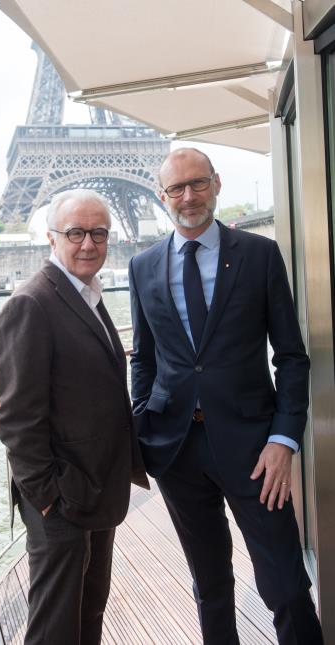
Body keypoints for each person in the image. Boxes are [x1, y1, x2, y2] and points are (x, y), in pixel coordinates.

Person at [128, 148, 324, 645]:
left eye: (197, 184)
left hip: (257, 450)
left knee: (285, 581)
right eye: (176, 188)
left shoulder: (258, 255)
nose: (188, 197)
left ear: (217, 184)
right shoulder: (143, 266)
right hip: (176, 449)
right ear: (162, 195)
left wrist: (284, 438)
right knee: (209, 581)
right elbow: (144, 359)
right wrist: (142, 426)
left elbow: (292, 357)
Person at [0, 188, 149, 645]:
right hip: (61, 498)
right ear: (51, 238)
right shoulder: (31, 303)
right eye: (76, 233)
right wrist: (47, 499)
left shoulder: (87, 294)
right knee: (56, 623)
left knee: (89, 607)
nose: (88, 244)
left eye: (98, 233)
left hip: (95, 485)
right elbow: (18, 419)